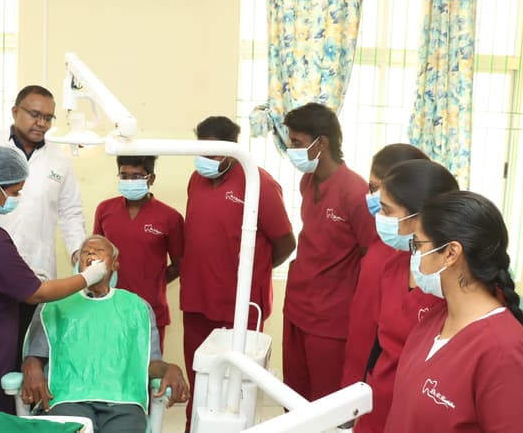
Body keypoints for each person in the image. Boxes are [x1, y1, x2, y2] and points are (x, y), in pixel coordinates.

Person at [0, 146, 110, 432]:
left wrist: (24, 275)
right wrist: (87, 277)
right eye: (16, 192)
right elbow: (37, 293)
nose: (17, 197)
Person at [0, 85, 86, 371]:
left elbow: (71, 212)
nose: (42, 123)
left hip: (36, 274)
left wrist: (78, 254)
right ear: (15, 111)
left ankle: (21, 415)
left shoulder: (60, 161)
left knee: (30, 363)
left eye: (48, 117)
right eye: (35, 114)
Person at [385, 191, 523, 432]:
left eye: (417, 245)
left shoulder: (503, 353)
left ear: (450, 253)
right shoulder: (434, 320)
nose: (413, 256)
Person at [180, 116, 295, 428]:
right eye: (201, 151)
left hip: (239, 305)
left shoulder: (259, 183)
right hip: (197, 298)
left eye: (214, 153)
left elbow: (285, 242)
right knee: (200, 376)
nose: (205, 160)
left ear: (232, 150)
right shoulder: (197, 180)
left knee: (233, 388)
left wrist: (251, 273)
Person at [21, 235, 190, 433]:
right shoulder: (55, 304)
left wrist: (170, 368)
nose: (91, 253)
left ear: (115, 265)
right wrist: (30, 364)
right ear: (78, 263)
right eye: (86, 251)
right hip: (68, 398)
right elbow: (36, 356)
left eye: (100, 251)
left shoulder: (137, 308)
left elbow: (149, 364)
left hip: (122, 403)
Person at [281, 102, 376, 401]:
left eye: (296, 142)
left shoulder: (356, 192)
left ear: (321, 142)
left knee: (324, 405)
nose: (290, 149)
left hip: (331, 321)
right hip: (297, 308)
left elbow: (371, 258)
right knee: (294, 399)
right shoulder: (308, 181)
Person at [354, 159, 458, 433]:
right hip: (379, 406)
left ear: (421, 217)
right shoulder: (396, 265)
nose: (380, 218)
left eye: (387, 211)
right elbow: (380, 343)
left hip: (422, 415)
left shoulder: (454, 283)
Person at [341, 144, 428, 388]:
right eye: (372, 187)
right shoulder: (384, 237)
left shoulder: (422, 263)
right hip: (360, 367)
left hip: (387, 378)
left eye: (384, 192)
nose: (375, 199)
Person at [93, 155, 184, 351]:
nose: (129, 182)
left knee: (147, 371)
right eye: (124, 176)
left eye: (137, 176)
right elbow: (95, 253)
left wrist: (154, 281)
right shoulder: (105, 210)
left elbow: (180, 264)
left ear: (151, 179)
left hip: (150, 308)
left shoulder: (170, 217)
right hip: (110, 306)